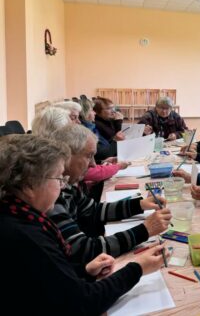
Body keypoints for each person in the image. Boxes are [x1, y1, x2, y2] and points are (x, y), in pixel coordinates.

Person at [0, 134, 167, 315]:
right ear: (29, 186)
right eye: (58, 179)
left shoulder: (19, 215)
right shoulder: (26, 235)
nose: (63, 186)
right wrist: (138, 268)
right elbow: (83, 303)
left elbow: (51, 278)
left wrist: (84, 272)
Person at [47, 125, 172, 264]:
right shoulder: (52, 197)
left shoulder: (67, 185)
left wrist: (140, 204)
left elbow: (93, 210)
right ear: (67, 156)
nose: (93, 165)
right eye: (89, 156)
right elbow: (85, 251)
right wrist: (145, 230)